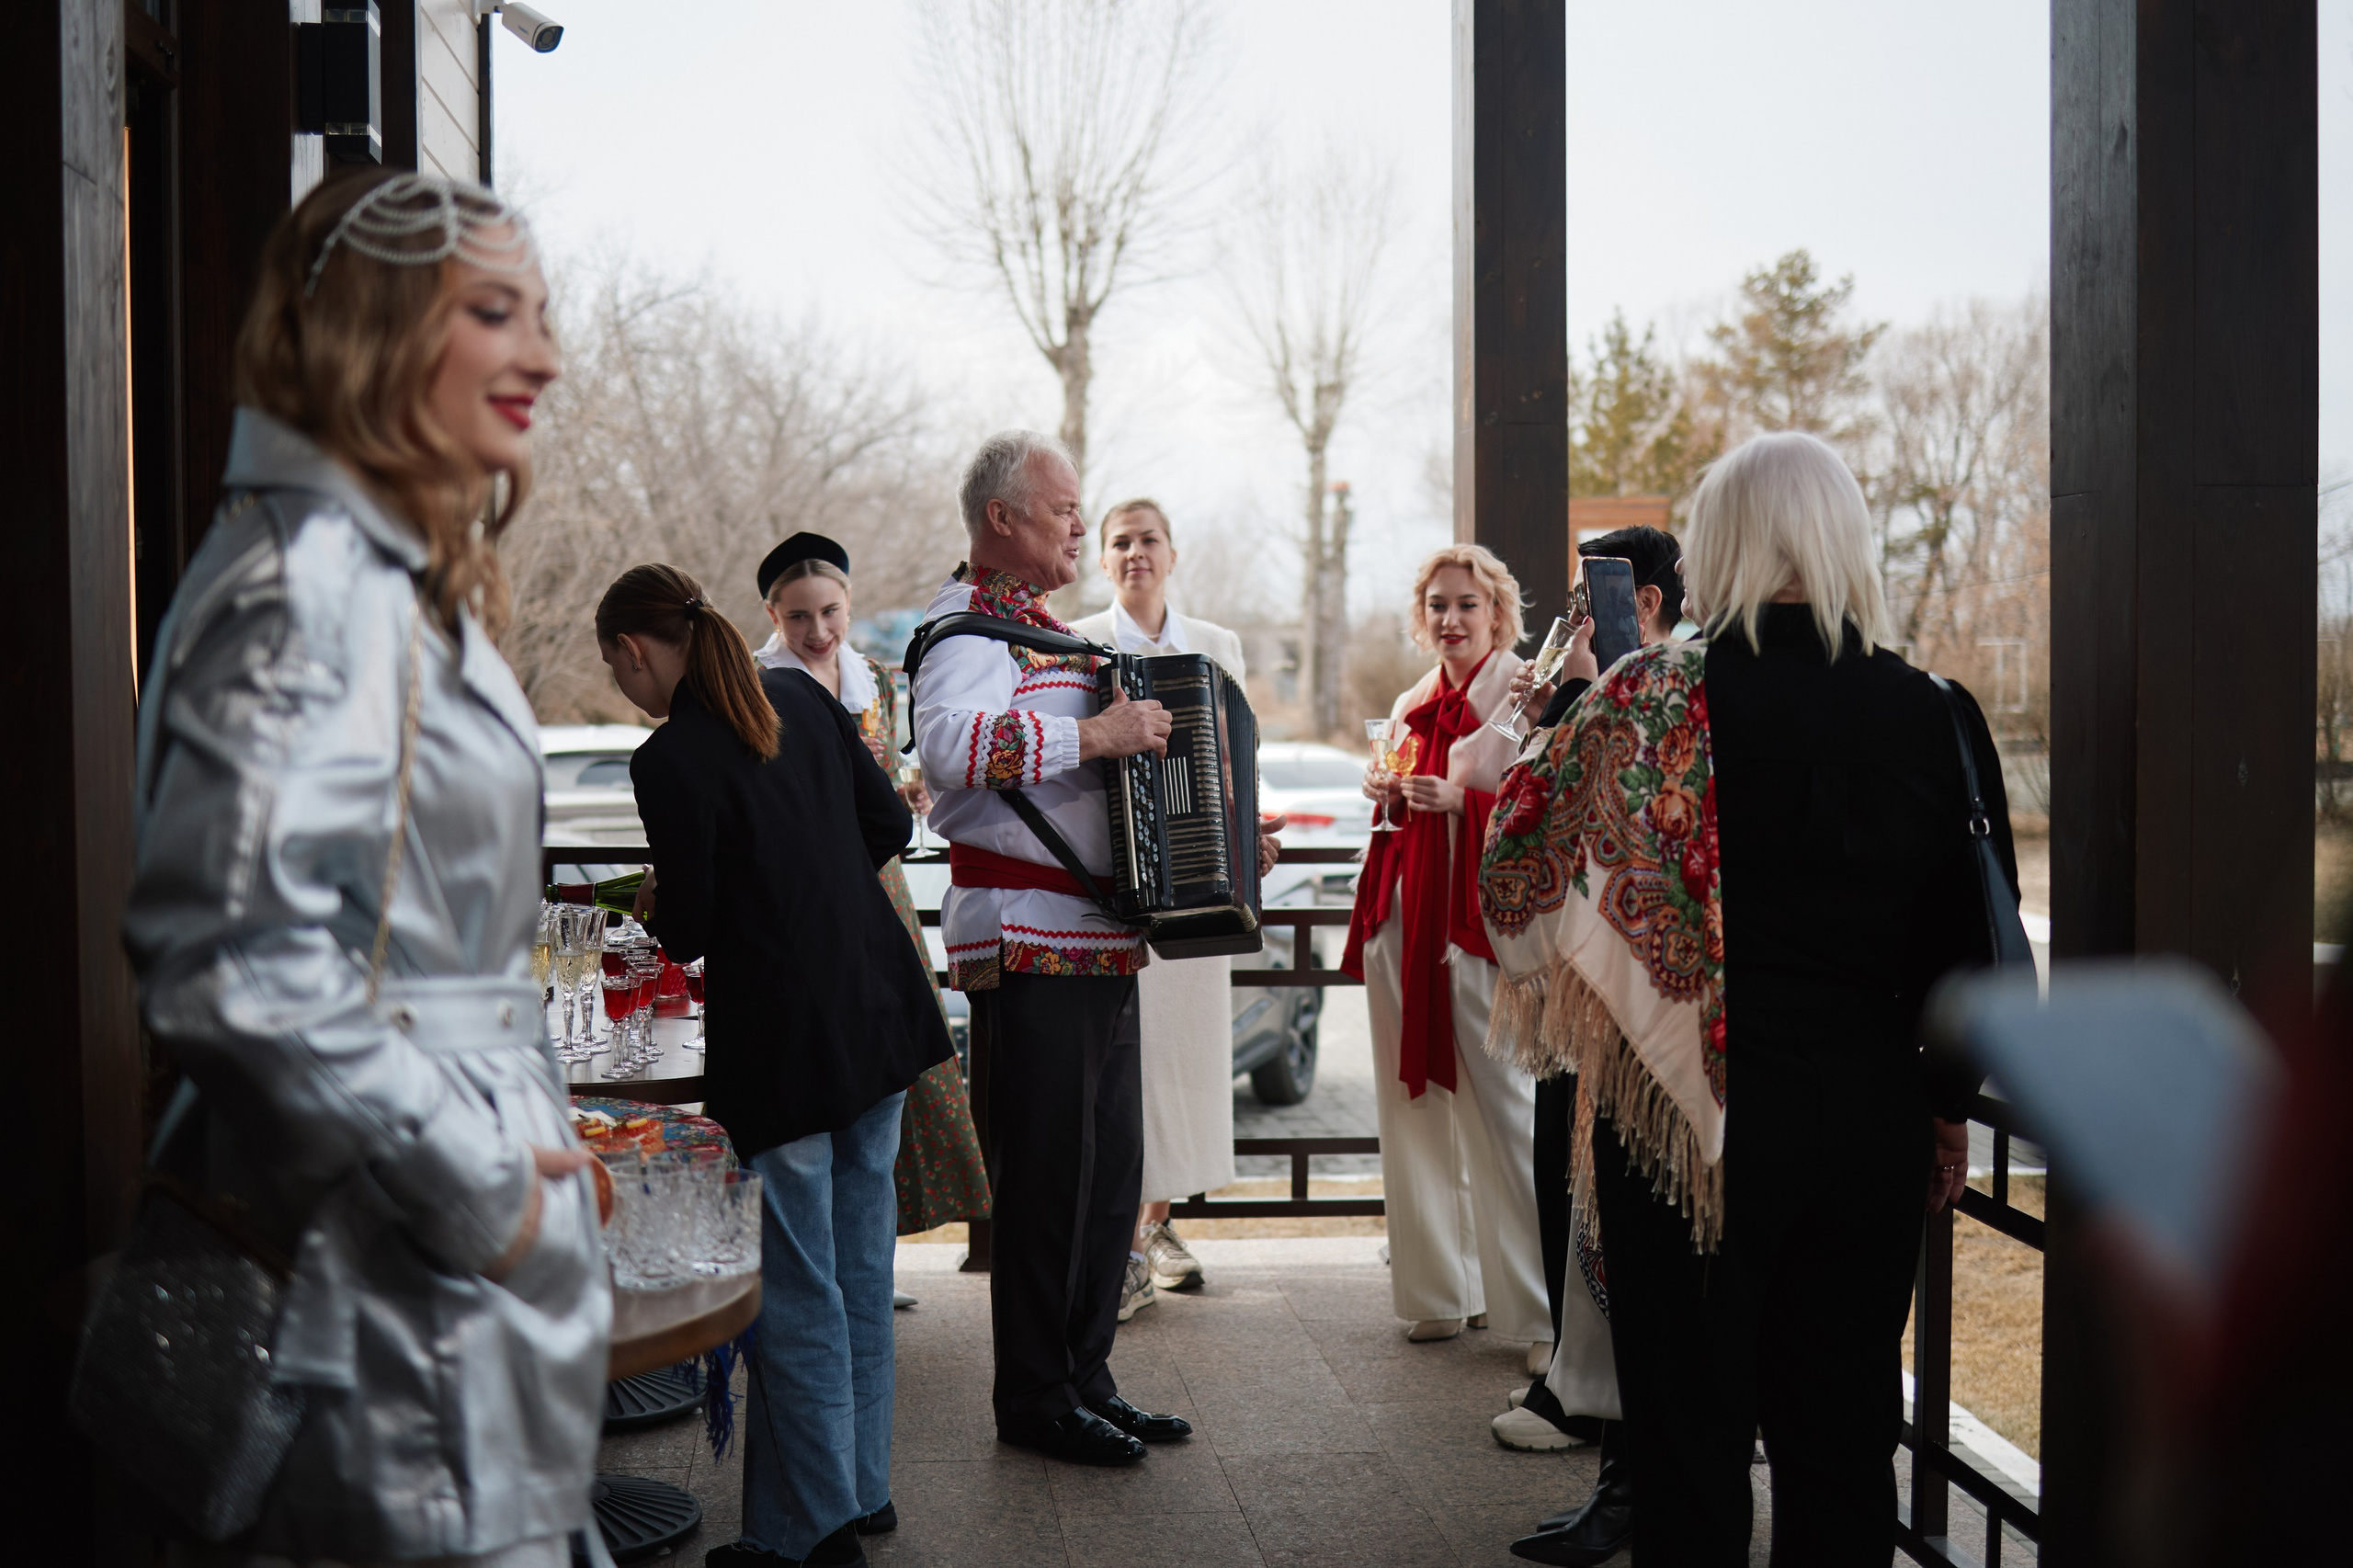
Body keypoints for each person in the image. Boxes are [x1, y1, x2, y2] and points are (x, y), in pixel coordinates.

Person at [120, 170, 609, 1563]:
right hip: (382, 1307)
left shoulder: (380, 579)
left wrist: (532, 1155)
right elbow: (229, 961)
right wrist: (485, 1183)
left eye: (541, 313)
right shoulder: (310, 585)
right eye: (495, 311)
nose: (546, 356)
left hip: (434, 1296)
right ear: (379, 325)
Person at [1478, 432, 2015, 1566]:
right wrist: (1945, 1104)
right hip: (1863, 1117)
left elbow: (1513, 861)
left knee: (1686, 1444)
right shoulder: (1934, 711)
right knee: (1841, 1439)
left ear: (1719, 540)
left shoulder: (1641, 697)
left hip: (1680, 1116)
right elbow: (1972, 942)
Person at [911, 431, 1280, 1467]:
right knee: (1045, 1182)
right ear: (1002, 521)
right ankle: (1032, 1394)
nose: (1079, 525)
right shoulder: (963, 629)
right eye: (1064, 510)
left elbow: (1105, 792)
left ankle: (1083, 1375)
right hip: (1026, 945)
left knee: (1107, 1177)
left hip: (1099, 938)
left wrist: (1215, 821)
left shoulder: (1044, 636)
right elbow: (946, 750)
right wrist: (1097, 736)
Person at [604, 562, 951, 1568]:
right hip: (878, 1011)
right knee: (855, 1261)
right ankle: (860, 1488)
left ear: (634, 650)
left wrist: (656, 904)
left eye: (618, 668)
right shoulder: (796, 690)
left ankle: (805, 1529)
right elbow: (889, 826)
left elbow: (697, 925)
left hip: (785, 1043)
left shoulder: (668, 761)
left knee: (797, 1282)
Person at [1487, 527, 1682, 1559]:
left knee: (1630, 1246)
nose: (1574, 614)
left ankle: (1635, 1474)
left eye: (1591, 595)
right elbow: (1513, 808)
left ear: (1640, 600)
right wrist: (1542, 705)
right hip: (1576, 1009)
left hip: (1647, 1025)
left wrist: (1579, 696)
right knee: (1578, 1219)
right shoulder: (1583, 696)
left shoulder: (1665, 700)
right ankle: (1614, 1456)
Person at [1339, 544, 1551, 1363]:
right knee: (1412, 1106)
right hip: (1403, 916)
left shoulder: (1520, 692)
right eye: (1437, 605)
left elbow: (1544, 805)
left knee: (1505, 1112)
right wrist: (1382, 788)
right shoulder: (1408, 700)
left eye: (1467, 604)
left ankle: (1535, 1316)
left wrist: (1462, 799)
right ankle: (1438, 1289)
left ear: (1497, 612)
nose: (1451, 619)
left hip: (1476, 927)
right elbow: (1393, 794)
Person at [755, 532, 992, 1249]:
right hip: (795, 904)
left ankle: (866, 1255)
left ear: (850, 604)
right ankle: (818, 1262)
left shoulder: (880, 685)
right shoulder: (751, 689)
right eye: (798, 617)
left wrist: (904, 792)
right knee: (815, 1089)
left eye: (830, 612)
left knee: (892, 1087)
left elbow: (880, 781)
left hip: (881, 895)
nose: (818, 632)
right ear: (772, 614)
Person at [1068, 498, 1248, 1315]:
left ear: (1172, 552)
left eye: (1148, 540)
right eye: (1120, 542)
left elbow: (1239, 760)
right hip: (1121, 882)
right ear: (1104, 560)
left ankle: (1160, 1224)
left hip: (1202, 878)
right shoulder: (1076, 641)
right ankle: (1127, 1243)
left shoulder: (1217, 646)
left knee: (1184, 1062)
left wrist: (1251, 844)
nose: (1135, 552)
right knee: (1127, 1070)